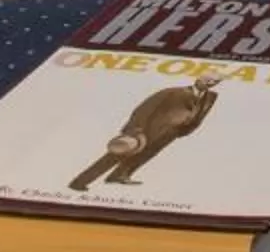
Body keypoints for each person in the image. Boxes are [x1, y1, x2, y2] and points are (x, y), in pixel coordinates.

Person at [69, 72, 221, 191]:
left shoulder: (211, 97)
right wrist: (136, 129)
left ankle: (118, 176)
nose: (210, 83)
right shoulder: (171, 91)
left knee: (144, 156)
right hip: (148, 129)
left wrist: (184, 130)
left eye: (214, 81)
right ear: (198, 79)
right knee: (116, 155)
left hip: (171, 133)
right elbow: (144, 109)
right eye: (207, 79)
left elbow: (200, 114)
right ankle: (79, 182)